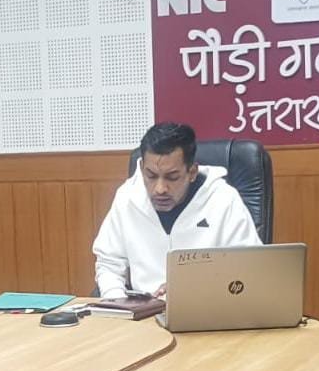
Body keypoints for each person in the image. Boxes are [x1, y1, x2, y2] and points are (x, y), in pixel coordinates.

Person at [93, 122, 261, 299]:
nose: (160, 189)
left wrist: (190, 287)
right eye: (151, 176)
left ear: (192, 172)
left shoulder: (223, 200)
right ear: (141, 168)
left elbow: (248, 269)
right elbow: (109, 264)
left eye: (172, 177)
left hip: (207, 307)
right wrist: (117, 300)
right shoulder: (127, 197)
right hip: (143, 311)